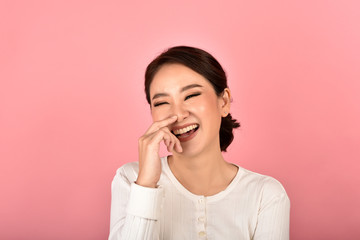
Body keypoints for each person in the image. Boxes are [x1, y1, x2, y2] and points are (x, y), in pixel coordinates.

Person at [108, 46, 290, 240]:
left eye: (191, 95)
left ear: (224, 102)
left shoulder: (266, 195)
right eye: (161, 103)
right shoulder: (131, 179)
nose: (177, 114)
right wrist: (146, 186)